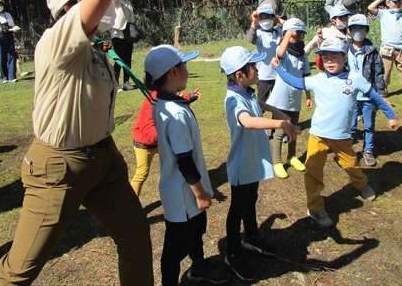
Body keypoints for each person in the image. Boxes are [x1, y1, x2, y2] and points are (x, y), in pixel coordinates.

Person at [0, 0, 156, 285]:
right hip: (57, 167)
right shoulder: (58, 40)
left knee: (135, 236)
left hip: (102, 160)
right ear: (68, 10)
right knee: (19, 269)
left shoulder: (94, 47)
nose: (110, 3)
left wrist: (107, 152)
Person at [271, 37, 397, 229]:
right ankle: (315, 208)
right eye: (326, 57)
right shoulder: (318, 79)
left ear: (344, 58)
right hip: (318, 134)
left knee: (351, 164)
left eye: (334, 57)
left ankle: (361, 184)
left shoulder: (354, 79)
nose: (330, 61)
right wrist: (278, 68)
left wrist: (390, 115)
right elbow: (295, 82)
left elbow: (375, 97)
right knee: (313, 170)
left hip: (342, 137)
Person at [145, 45, 229, 286]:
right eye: (185, 66)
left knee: (197, 233)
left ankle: (200, 266)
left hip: (187, 194)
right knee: (174, 249)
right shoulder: (176, 115)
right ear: (173, 72)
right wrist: (201, 193)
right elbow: (184, 161)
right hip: (184, 195)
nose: (187, 70)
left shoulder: (162, 102)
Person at [220, 46, 300, 281]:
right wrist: (280, 125)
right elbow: (247, 121)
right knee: (237, 210)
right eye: (252, 66)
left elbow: (258, 105)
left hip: (252, 161)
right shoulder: (234, 100)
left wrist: (275, 110)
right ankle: (233, 254)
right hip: (241, 164)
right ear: (239, 75)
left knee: (251, 200)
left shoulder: (247, 91)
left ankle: (252, 237)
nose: (256, 69)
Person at [129, 82, 201, 196]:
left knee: (176, 163)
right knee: (142, 173)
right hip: (144, 144)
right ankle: (131, 201)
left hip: (160, 141)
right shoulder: (152, 101)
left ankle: (184, 189)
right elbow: (146, 126)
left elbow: (178, 98)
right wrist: (160, 136)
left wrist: (191, 96)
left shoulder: (165, 94)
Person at [266, 18, 313, 179]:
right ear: (285, 35)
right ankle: (277, 161)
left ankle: (291, 156)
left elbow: (306, 76)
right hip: (281, 99)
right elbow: (279, 53)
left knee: (294, 130)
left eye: (300, 35)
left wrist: (308, 96)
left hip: (295, 99)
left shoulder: (302, 55)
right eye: (294, 35)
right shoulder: (283, 52)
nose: (297, 37)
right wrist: (287, 35)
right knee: (280, 131)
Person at [346, 14, 388, 167]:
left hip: (368, 96)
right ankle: (348, 150)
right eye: (355, 28)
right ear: (349, 31)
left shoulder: (372, 50)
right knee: (350, 125)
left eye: (361, 28)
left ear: (367, 30)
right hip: (349, 96)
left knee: (369, 124)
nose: (358, 31)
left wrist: (381, 92)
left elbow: (378, 72)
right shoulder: (344, 50)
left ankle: (368, 150)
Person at [367, 0, 402, 102]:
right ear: (388, 3)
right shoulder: (383, 13)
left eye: (399, 1)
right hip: (387, 47)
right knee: (386, 70)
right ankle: (384, 90)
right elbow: (370, 7)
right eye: (394, 1)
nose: (397, 3)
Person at [246, 3, 282, 102]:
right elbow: (251, 39)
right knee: (261, 103)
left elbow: (293, 31)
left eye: (268, 17)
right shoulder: (259, 33)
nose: (265, 20)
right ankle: (257, 117)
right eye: (261, 17)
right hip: (264, 76)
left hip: (279, 75)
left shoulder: (279, 32)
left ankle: (278, 118)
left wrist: (280, 21)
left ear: (273, 17)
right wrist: (253, 22)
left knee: (278, 103)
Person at [110, 0, 136, 91]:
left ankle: (126, 81)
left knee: (127, 58)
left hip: (127, 33)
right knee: (119, 59)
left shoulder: (127, 2)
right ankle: (115, 83)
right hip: (117, 33)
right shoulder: (115, 1)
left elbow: (131, 17)